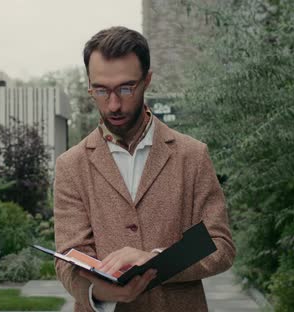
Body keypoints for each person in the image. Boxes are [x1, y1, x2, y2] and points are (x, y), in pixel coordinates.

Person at [53, 26, 236, 312]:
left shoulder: (192, 155)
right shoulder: (71, 166)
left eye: (126, 88)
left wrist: (156, 260)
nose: (113, 104)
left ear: (147, 80)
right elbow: (68, 257)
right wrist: (96, 292)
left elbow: (220, 245)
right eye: (101, 90)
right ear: (89, 85)